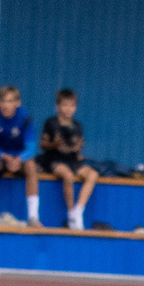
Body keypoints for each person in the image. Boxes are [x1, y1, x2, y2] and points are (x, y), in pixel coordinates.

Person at [41, 88, 102, 230]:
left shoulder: (77, 126)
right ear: (57, 106)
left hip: (73, 161)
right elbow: (43, 144)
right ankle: (70, 214)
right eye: (65, 105)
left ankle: (78, 211)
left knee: (93, 174)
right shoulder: (51, 123)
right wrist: (53, 144)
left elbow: (78, 146)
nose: (68, 109)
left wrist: (76, 148)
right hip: (55, 160)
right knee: (68, 176)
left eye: (72, 105)